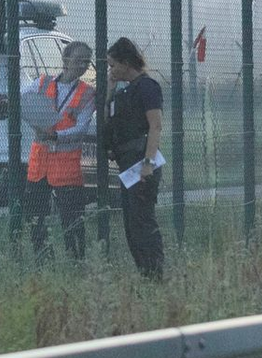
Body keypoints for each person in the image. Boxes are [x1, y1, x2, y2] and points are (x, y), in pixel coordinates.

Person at [22, 41, 94, 262]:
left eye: (86, 61)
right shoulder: (41, 83)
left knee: (71, 218)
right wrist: (36, 125)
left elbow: (81, 128)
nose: (82, 64)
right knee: (36, 216)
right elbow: (22, 101)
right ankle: (42, 259)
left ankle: (76, 259)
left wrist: (56, 136)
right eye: (78, 59)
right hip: (40, 162)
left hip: (66, 164)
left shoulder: (87, 93)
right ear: (65, 60)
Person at [105, 37, 164, 279]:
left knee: (143, 221)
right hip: (126, 162)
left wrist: (148, 164)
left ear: (127, 62)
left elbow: (156, 126)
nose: (111, 70)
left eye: (113, 65)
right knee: (131, 223)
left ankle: (155, 273)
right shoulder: (124, 91)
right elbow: (108, 118)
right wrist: (110, 89)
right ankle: (144, 273)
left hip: (142, 161)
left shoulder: (147, 87)